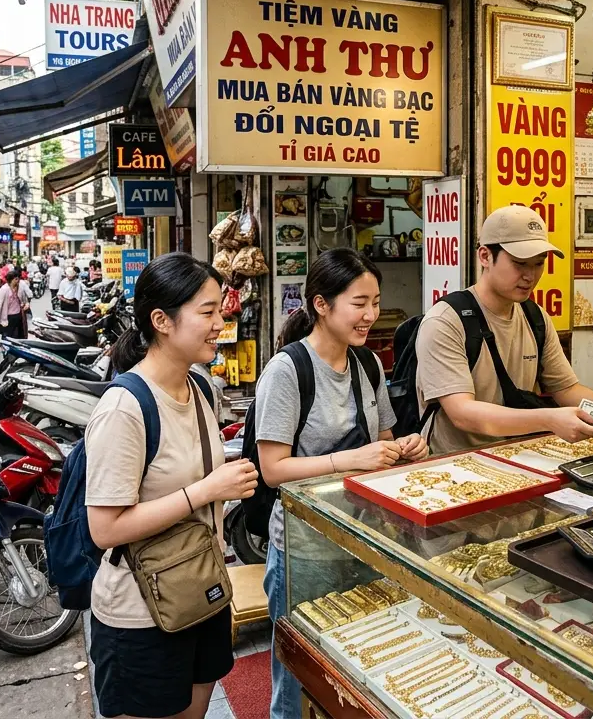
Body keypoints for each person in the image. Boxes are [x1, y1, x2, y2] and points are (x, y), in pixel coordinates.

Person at [252, 249, 429, 718]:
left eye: (376, 301)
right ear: (322, 305)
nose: (371, 314)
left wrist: (404, 448)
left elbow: (382, 439)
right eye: (358, 303)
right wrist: (351, 459)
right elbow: (273, 468)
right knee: (297, 674)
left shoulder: (368, 364)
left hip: (364, 540)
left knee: (358, 665)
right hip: (303, 550)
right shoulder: (288, 370)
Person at [85, 252, 258, 719]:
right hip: (140, 617)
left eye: (219, 309)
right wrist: (206, 490)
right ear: (161, 320)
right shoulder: (125, 408)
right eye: (207, 312)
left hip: (199, 594)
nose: (220, 322)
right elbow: (105, 528)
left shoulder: (198, 389)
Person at [415, 206, 593, 455]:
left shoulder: (535, 317)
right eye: (519, 263)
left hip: (521, 455)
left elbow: (566, 389)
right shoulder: (446, 321)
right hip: (454, 464)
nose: (530, 276)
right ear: (485, 256)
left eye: (538, 264)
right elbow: (462, 413)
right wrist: (548, 419)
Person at [0, 269, 32, 339]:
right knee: (7, 336)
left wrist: (26, 304)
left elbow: (24, 300)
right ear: (11, 280)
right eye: (16, 279)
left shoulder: (20, 288)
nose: (18, 281)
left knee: (18, 336)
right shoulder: (4, 289)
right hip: (8, 316)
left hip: (18, 315)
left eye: (18, 279)